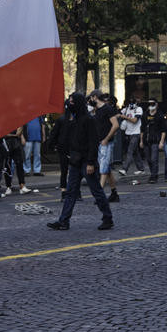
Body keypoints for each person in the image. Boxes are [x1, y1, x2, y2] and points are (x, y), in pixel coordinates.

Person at [47, 93, 114, 231]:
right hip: (75, 161)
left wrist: (90, 162)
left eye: (72, 102)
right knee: (71, 192)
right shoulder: (74, 119)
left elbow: (93, 143)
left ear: (78, 103)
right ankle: (63, 221)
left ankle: (108, 218)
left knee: (96, 191)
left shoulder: (88, 120)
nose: (69, 104)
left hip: (86, 162)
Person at [90, 91, 120, 202]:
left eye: (91, 98)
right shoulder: (97, 110)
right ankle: (114, 193)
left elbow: (115, 125)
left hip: (106, 143)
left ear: (95, 97)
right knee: (106, 168)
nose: (90, 100)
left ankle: (100, 195)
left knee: (103, 169)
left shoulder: (107, 109)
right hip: (100, 142)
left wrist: (106, 139)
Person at [141, 99, 166, 183]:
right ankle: (153, 173)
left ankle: (154, 176)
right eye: (149, 103)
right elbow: (142, 128)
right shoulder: (145, 114)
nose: (150, 105)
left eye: (152, 103)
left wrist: (161, 142)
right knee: (148, 159)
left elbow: (163, 130)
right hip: (146, 140)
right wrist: (141, 141)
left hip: (155, 140)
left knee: (154, 159)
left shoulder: (160, 115)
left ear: (156, 104)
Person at [117, 99, 144, 176]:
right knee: (135, 152)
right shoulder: (126, 109)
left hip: (136, 133)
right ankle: (141, 168)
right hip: (128, 133)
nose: (131, 104)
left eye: (133, 103)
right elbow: (118, 114)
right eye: (130, 103)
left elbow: (135, 120)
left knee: (130, 151)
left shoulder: (138, 109)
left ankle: (124, 169)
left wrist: (124, 117)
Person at [2, 127, 32, 195]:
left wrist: (12, 135)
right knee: (7, 166)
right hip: (7, 145)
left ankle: (22, 186)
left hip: (16, 145)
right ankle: (8, 186)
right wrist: (15, 135)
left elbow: (19, 132)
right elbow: (4, 134)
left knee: (19, 165)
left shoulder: (16, 122)